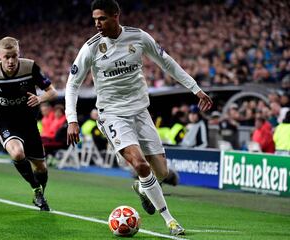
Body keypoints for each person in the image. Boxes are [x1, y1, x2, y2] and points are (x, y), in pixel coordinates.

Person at [65, 0, 213, 235]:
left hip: (141, 112)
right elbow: (72, 85)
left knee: (162, 173)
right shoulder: (91, 48)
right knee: (141, 165)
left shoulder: (139, 37)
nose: (97, 24)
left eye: (102, 18)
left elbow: (167, 62)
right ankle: (170, 221)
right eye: (94, 20)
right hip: (112, 114)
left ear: (116, 15)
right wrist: (72, 119)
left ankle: (144, 189)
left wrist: (195, 88)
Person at [0, 36, 58, 211]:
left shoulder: (30, 67)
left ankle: (40, 194)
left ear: (19, 54)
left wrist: (40, 98)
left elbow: (52, 92)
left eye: (14, 56)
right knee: (17, 153)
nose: (11, 61)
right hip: (4, 119)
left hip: (28, 121)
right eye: (7, 57)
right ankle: (35, 189)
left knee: (41, 168)